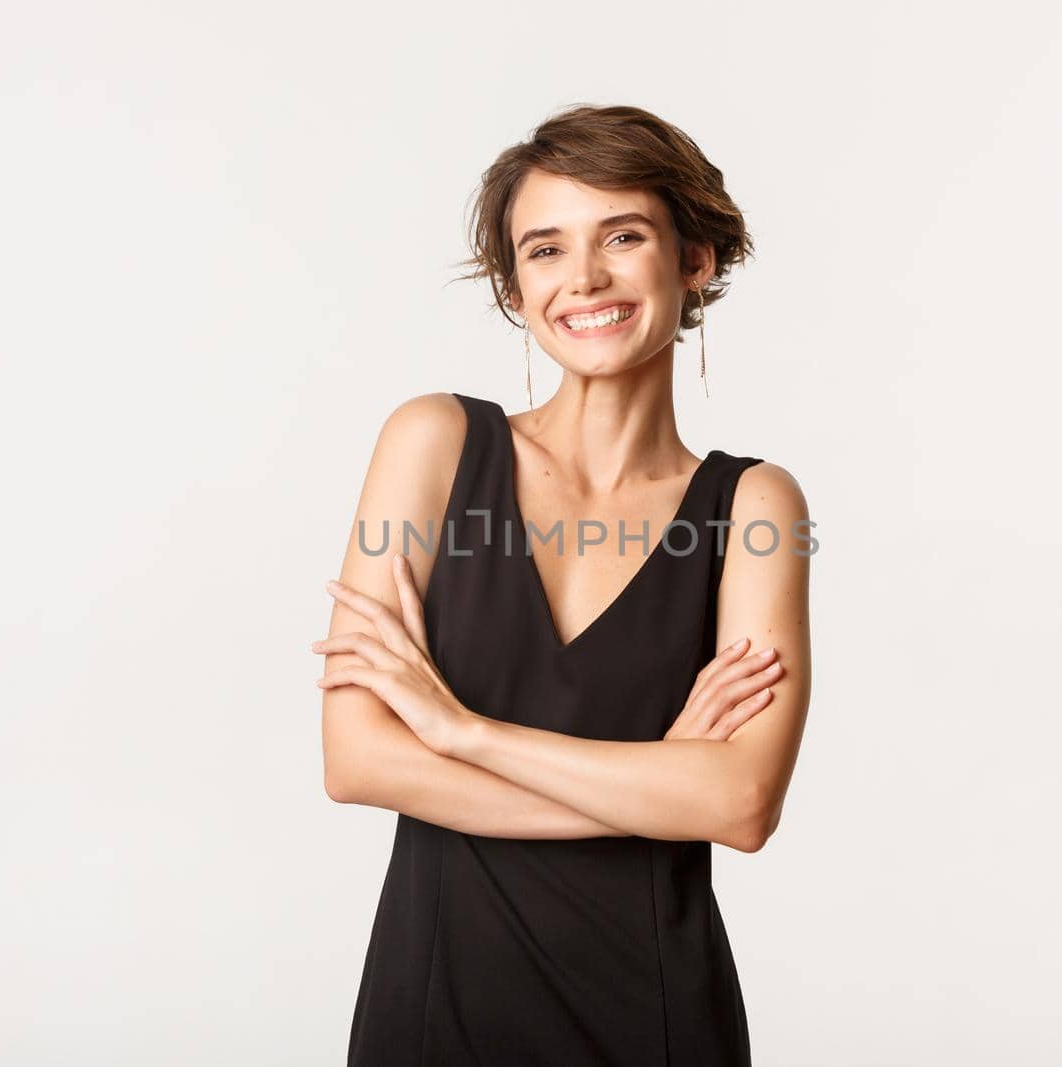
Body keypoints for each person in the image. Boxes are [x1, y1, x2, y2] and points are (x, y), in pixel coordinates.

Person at [312, 103, 812, 1066]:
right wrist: (658, 781)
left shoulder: (756, 504)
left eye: (622, 236)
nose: (583, 279)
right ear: (516, 286)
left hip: (657, 1017)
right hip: (432, 1013)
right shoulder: (433, 443)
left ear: (695, 257)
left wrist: (465, 734)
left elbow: (740, 803)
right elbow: (359, 760)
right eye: (544, 250)